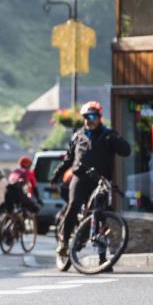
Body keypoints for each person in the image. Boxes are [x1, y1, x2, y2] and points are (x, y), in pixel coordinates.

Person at [51, 100, 131, 256]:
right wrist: (56, 175)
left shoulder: (108, 134)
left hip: (101, 181)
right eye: (86, 116)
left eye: (93, 116)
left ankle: (103, 259)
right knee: (74, 205)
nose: (90, 119)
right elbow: (68, 159)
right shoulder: (78, 136)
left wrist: (115, 139)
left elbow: (126, 151)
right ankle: (64, 241)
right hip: (80, 178)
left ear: (100, 117)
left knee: (100, 215)